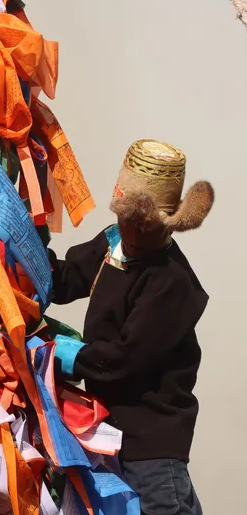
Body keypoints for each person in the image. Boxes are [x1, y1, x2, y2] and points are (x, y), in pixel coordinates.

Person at [48, 140, 214, 515]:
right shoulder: (113, 242)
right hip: (114, 441)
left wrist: (62, 356)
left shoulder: (171, 281)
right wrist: (22, 260)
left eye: (147, 227)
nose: (135, 234)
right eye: (129, 221)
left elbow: (124, 359)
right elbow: (66, 279)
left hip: (153, 453)